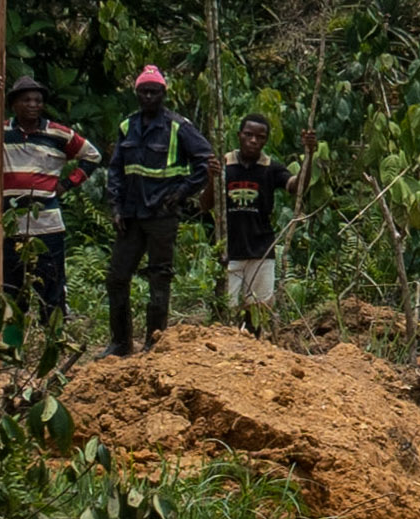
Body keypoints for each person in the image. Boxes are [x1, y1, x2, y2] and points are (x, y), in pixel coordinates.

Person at [97, 63, 203, 352]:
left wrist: (182, 192)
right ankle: (120, 343)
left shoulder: (178, 126)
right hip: (130, 215)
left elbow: (205, 160)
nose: (148, 97)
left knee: (159, 278)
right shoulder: (127, 126)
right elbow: (116, 169)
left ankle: (153, 343)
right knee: (117, 278)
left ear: (163, 94)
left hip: (162, 215)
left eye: (153, 92)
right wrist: (116, 206)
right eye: (143, 92)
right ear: (136, 94)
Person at [0, 77, 91, 349]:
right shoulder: (3, 132)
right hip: (11, 225)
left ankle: (53, 345)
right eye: (26, 100)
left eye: (37, 100)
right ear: (14, 104)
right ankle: (12, 348)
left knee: (52, 288)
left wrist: (67, 184)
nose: (33, 105)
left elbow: (91, 155)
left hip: (48, 226)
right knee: (12, 289)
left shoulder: (58, 134)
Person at [215, 115, 293, 319]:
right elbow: (206, 205)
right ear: (239, 135)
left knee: (259, 313)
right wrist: (211, 178)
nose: (253, 141)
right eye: (248, 135)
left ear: (266, 140)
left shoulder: (270, 167)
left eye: (260, 137)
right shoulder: (224, 164)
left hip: (261, 249)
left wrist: (310, 156)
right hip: (228, 250)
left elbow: (295, 186)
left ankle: (256, 347)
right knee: (226, 310)